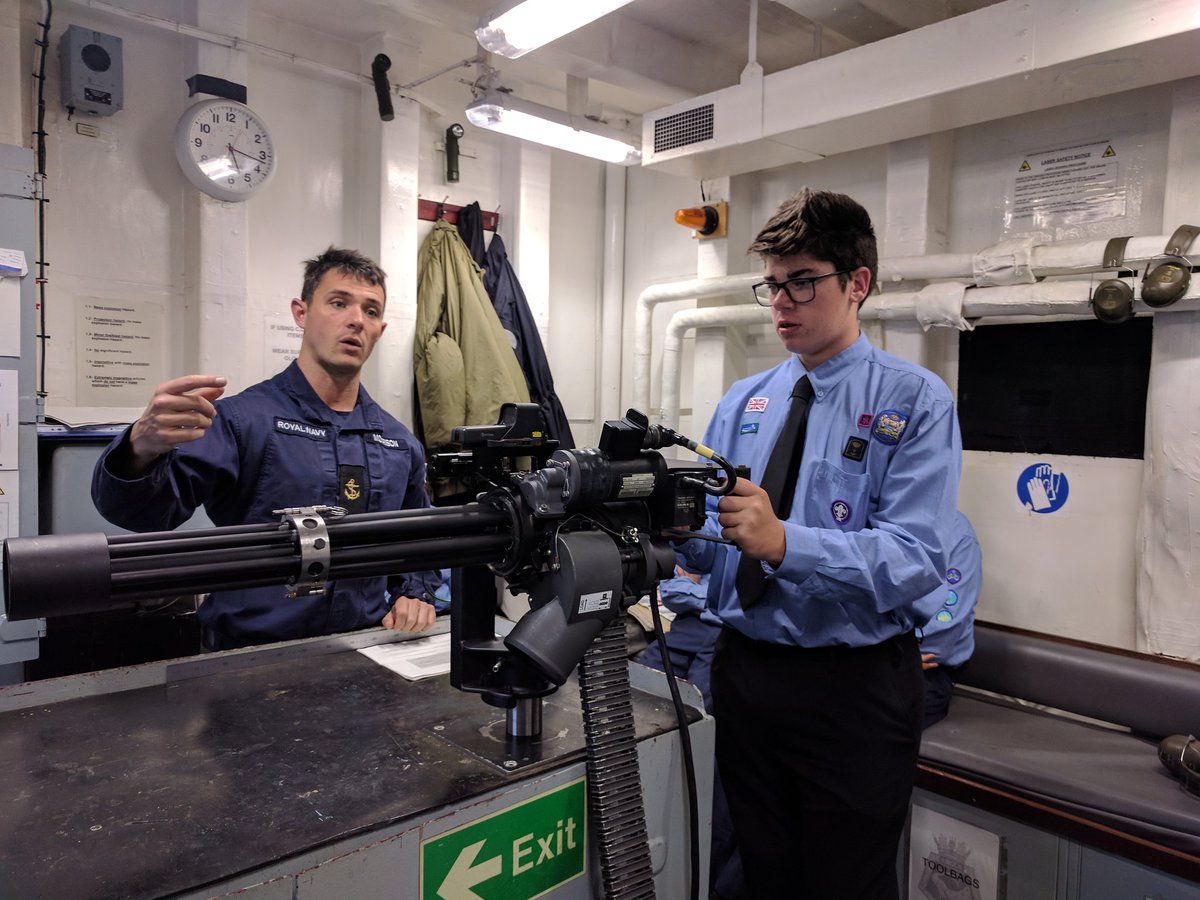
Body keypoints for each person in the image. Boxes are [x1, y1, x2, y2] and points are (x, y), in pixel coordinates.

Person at [675, 189, 962, 899]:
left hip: (853, 690)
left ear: (857, 283)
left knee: (845, 886)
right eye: (773, 284)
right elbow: (720, 546)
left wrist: (783, 544)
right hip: (747, 675)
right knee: (762, 878)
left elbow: (917, 559)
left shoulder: (915, 401)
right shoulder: (743, 402)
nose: (782, 302)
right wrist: (676, 530)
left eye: (802, 281)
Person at [92, 247, 440, 650]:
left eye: (371, 311)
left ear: (380, 329)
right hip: (249, 656)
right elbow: (140, 515)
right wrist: (140, 448)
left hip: (365, 649)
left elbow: (418, 541)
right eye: (339, 303)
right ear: (301, 312)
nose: (356, 320)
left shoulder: (398, 442)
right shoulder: (242, 423)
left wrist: (414, 594)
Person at [920, 511, 982, 729]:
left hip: (924, 670)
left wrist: (899, 657)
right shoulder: (871, 522)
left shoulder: (957, 535)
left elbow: (944, 625)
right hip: (869, 662)